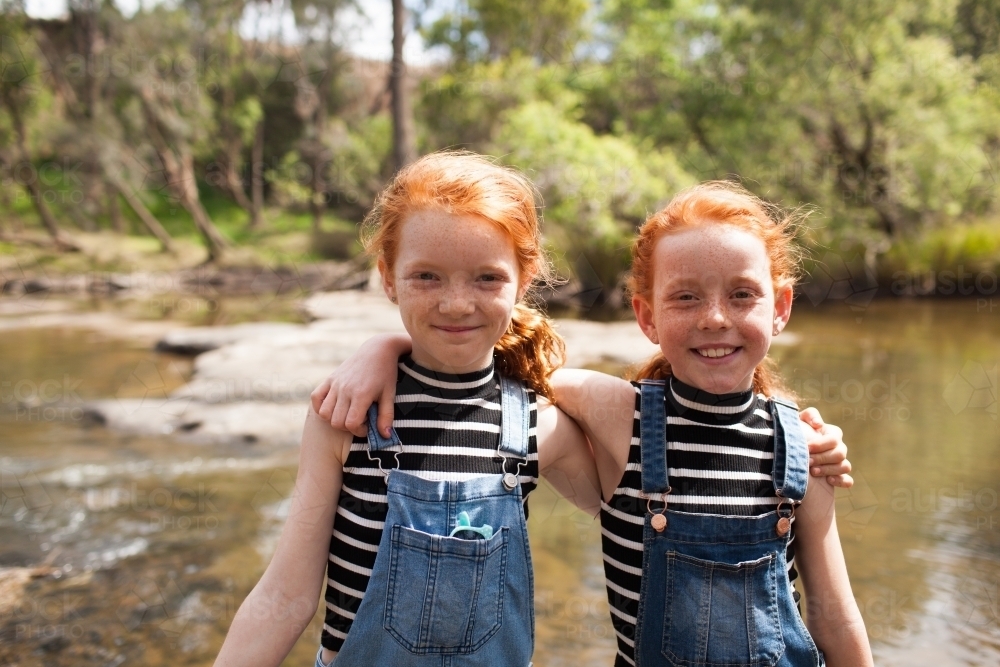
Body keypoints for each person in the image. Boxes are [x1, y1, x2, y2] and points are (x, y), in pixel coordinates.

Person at [312, 181, 868, 666]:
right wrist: (384, 347)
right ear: (646, 316)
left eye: (742, 294)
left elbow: (836, 618)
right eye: (685, 297)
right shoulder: (615, 413)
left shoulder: (802, 448)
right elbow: (488, 360)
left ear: (781, 306)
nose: (715, 318)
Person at [214, 151, 602, 667]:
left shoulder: (540, 424)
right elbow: (286, 595)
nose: (457, 303)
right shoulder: (347, 415)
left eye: (487, 278)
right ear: (388, 277)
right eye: (426, 277)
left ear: (524, 278)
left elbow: (627, 515)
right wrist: (385, 346)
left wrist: (591, 390)